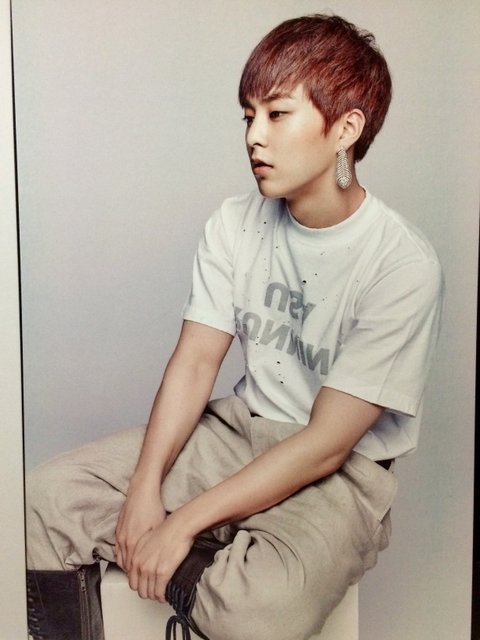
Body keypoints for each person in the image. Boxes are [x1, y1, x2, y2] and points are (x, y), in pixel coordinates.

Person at [25, 13, 443, 640]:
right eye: (248, 116)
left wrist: (181, 523)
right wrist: (144, 490)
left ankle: (204, 562)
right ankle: (210, 564)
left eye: (277, 114)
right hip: (239, 433)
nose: (254, 136)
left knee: (260, 611)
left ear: (346, 129)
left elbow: (327, 444)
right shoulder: (234, 222)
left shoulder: (402, 264)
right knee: (42, 500)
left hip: (341, 472)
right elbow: (196, 362)